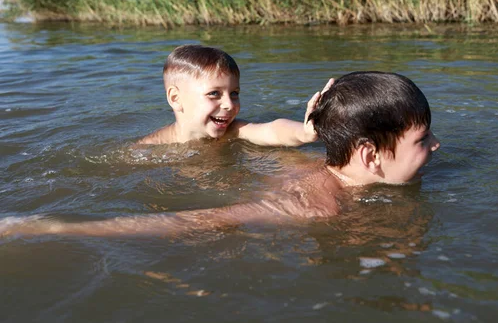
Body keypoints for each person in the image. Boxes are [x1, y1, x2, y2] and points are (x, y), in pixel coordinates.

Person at [1, 71, 440, 238]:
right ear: (368, 154)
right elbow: (193, 221)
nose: (436, 147)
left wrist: (311, 127)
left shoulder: (322, 165)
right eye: (422, 141)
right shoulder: (315, 208)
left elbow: (278, 136)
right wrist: (52, 227)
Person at [137, 44, 334, 146]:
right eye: (214, 93)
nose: (229, 105)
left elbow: (271, 130)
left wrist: (304, 132)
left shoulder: (233, 130)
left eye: (234, 93)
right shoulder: (152, 147)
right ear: (175, 98)